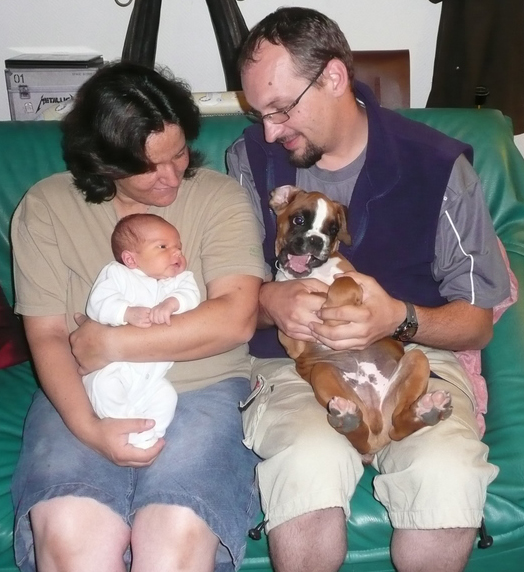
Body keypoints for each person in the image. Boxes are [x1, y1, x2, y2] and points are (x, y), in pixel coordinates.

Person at [226, 7, 511, 572]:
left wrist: (400, 318)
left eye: (281, 109)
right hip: (293, 365)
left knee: (447, 476)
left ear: (334, 77)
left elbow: (478, 321)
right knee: (306, 464)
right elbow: (224, 293)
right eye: (259, 114)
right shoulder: (250, 160)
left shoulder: (438, 167)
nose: (269, 132)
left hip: (411, 356)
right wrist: (267, 300)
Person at [11, 61, 265, 572]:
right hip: (84, 390)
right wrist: (89, 428)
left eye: (179, 153)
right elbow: (48, 336)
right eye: (148, 166)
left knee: (174, 541)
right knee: (70, 538)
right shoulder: (46, 208)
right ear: (102, 161)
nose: (171, 178)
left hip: (205, 386)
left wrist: (110, 342)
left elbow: (235, 319)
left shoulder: (219, 198)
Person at [83, 213, 201, 449]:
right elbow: (98, 303)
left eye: (178, 247)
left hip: (152, 379)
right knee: (105, 387)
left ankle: (150, 433)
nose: (176, 253)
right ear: (130, 259)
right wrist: (126, 313)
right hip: (114, 368)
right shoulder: (117, 274)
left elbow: (191, 295)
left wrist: (172, 303)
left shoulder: (179, 281)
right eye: (163, 247)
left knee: (167, 396)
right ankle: (128, 429)